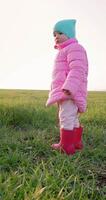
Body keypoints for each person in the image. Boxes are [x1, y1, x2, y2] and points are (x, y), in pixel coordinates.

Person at [46, 19, 88, 155]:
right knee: (72, 116)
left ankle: (66, 146)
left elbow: (77, 69)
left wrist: (69, 87)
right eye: (54, 34)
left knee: (65, 117)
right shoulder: (65, 50)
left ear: (69, 34)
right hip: (67, 90)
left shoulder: (74, 48)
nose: (56, 36)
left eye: (60, 33)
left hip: (69, 91)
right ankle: (76, 142)